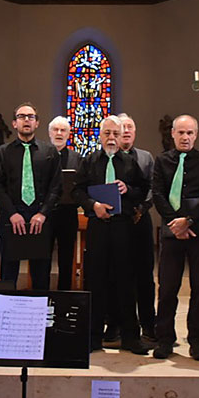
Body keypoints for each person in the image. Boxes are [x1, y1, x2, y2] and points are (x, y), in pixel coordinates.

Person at [73, 116, 149, 354]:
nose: (112, 138)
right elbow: (77, 189)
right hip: (97, 226)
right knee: (96, 279)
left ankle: (130, 337)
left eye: (116, 133)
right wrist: (92, 205)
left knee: (125, 280)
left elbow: (143, 189)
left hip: (123, 227)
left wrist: (128, 189)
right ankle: (94, 337)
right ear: (100, 135)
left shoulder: (129, 162)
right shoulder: (90, 161)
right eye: (107, 133)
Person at [151, 115, 199, 361]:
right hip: (171, 231)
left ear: (196, 135)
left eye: (190, 133)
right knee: (168, 287)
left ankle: (197, 341)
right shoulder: (162, 161)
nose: (185, 137)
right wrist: (174, 222)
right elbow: (157, 193)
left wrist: (188, 220)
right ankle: (165, 339)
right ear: (173, 134)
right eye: (181, 133)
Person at [0, 103, 62, 290]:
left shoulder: (50, 152)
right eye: (21, 117)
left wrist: (43, 213)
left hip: (41, 218)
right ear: (14, 123)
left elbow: (56, 187)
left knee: (41, 275)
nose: (26, 120)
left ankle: (38, 316)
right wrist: (12, 213)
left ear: (37, 123)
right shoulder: (3, 153)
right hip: (12, 217)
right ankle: (6, 316)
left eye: (31, 117)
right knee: (8, 274)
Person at [119, 113, 156, 340]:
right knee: (121, 275)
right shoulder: (107, 157)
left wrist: (142, 208)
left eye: (130, 127)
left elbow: (153, 186)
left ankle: (148, 324)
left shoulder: (146, 157)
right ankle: (121, 324)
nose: (126, 131)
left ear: (135, 132)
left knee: (144, 276)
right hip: (119, 221)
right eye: (121, 127)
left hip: (141, 219)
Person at [48, 116, 81, 290]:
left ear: (69, 134)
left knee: (66, 258)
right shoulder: (42, 154)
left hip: (68, 212)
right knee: (43, 258)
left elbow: (82, 185)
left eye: (63, 130)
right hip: (45, 213)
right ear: (49, 133)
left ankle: (64, 295)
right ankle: (42, 296)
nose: (59, 133)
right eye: (56, 130)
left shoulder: (76, 157)